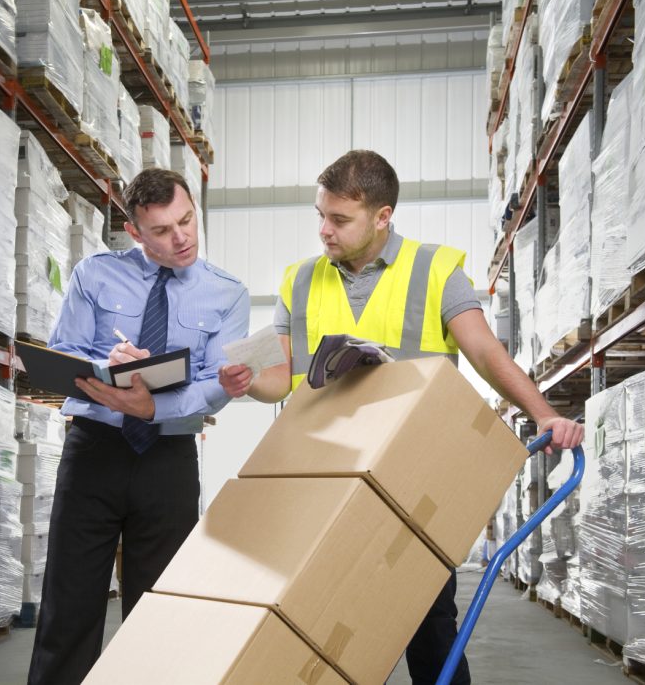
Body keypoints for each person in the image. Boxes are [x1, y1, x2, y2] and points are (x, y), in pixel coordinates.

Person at [219, 150, 584, 685]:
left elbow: (485, 353)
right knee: (317, 618)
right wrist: (247, 382)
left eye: (339, 219)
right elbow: (281, 374)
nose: (325, 230)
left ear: (383, 216)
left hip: (412, 476)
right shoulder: (299, 281)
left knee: (428, 623)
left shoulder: (436, 270)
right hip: (322, 471)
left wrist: (545, 414)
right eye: (320, 215)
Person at [27, 168, 250, 685]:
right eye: (163, 231)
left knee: (159, 615)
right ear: (134, 232)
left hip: (168, 458)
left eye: (187, 221)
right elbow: (67, 353)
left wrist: (154, 409)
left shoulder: (227, 294)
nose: (182, 238)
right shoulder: (94, 275)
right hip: (93, 453)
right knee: (70, 606)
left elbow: (215, 383)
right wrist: (110, 360)